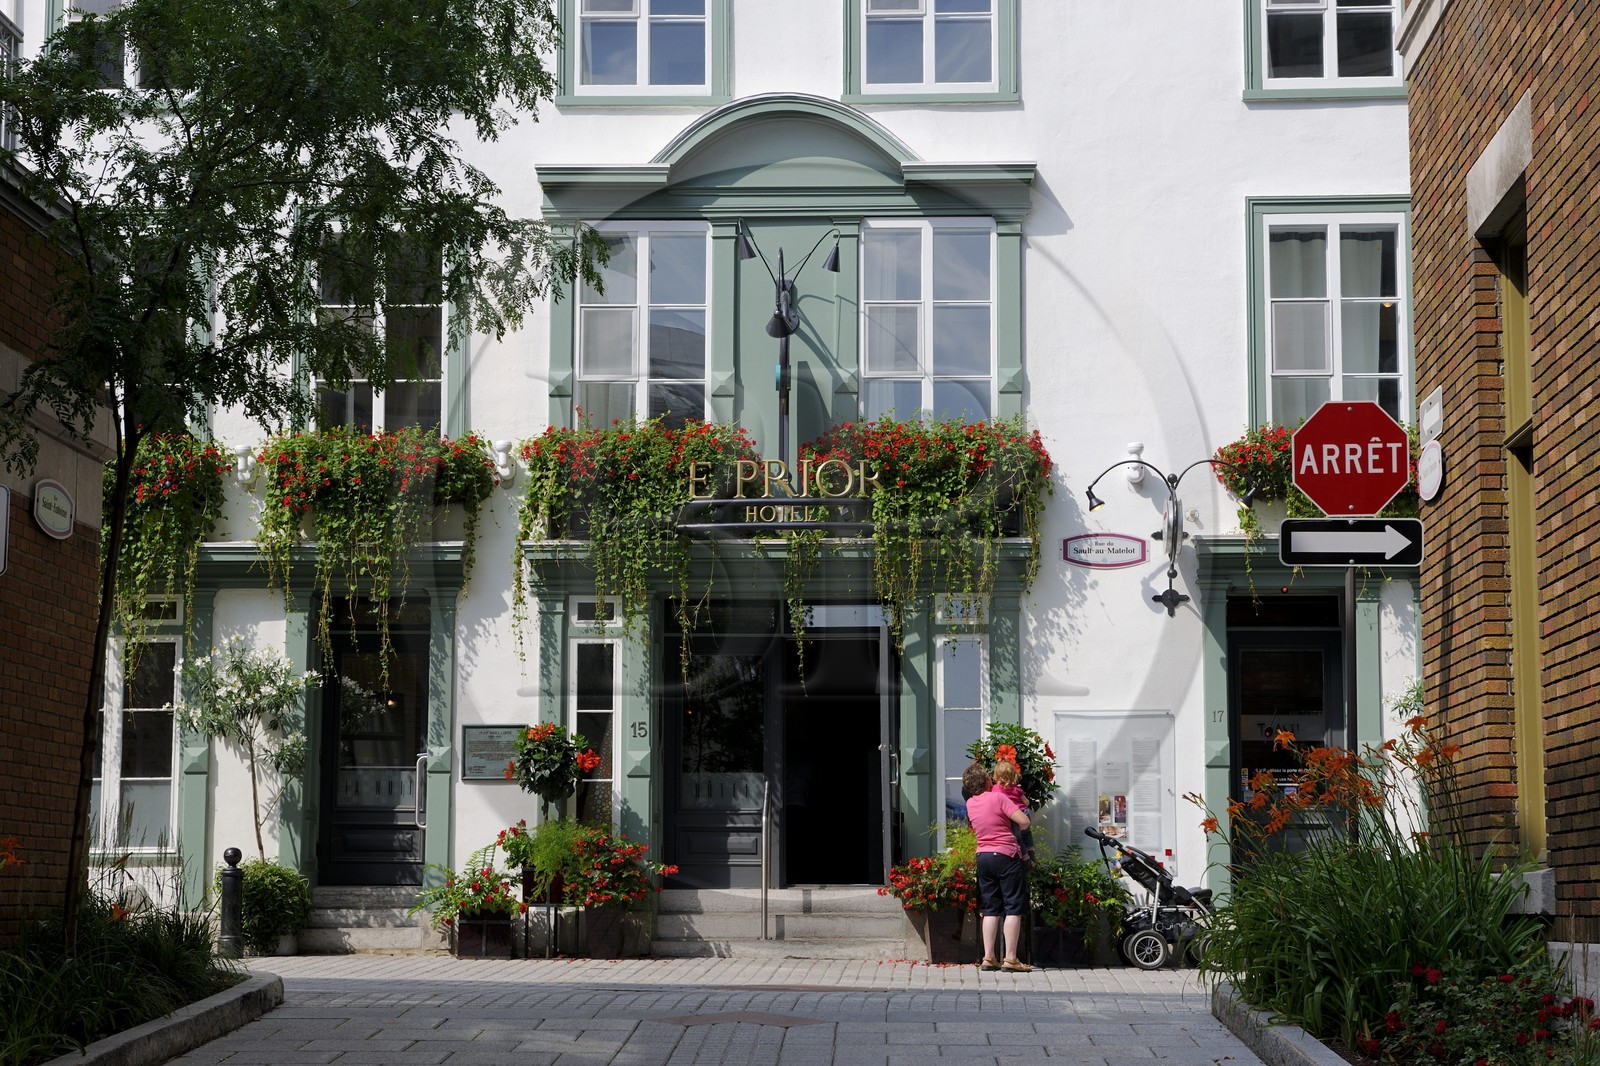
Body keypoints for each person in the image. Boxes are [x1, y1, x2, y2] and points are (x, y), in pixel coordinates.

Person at [963, 760, 1032, 972]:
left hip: (983, 857)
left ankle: (988, 957)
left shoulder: (970, 803)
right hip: (1006, 855)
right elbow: (1024, 821)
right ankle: (1011, 958)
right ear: (986, 780)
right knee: (1013, 907)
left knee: (990, 909)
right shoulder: (998, 797)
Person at [989, 759, 1036, 864]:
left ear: (996, 776)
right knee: (1027, 834)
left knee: (1018, 838)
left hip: (1014, 816)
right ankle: (1031, 849)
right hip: (1024, 813)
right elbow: (1026, 802)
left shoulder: (995, 789)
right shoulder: (1017, 789)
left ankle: (1025, 857)